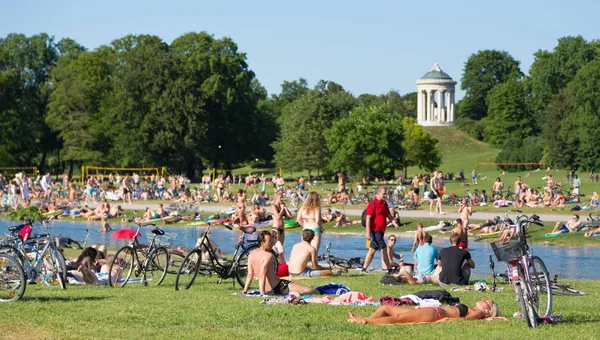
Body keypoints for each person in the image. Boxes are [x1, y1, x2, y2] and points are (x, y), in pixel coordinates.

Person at [242, 231, 317, 295]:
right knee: (313, 291)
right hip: (280, 286)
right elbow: (262, 274)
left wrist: (245, 290)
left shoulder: (252, 253)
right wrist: (262, 294)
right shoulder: (268, 255)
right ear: (262, 243)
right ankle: (294, 293)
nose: (272, 243)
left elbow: (250, 274)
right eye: (269, 242)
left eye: (272, 241)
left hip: (269, 290)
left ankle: (293, 292)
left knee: (304, 289)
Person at [347, 300, 500, 325]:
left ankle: (365, 321)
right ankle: (365, 320)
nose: (484, 300)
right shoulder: (475, 309)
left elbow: (465, 320)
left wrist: (485, 318)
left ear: (487, 310)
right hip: (432, 310)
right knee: (384, 308)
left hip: (436, 314)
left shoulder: (479, 313)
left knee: (398, 318)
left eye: (487, 302)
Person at [361, 187, 399, 274]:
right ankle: (389, 269)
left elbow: (388, 215)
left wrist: (394, 223)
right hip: (375, 230)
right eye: (384, 193)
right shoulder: (372, 204)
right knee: (384, 249)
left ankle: (363, 269)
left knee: (372, 250)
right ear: (378, 193)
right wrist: (367, 232)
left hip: (381, 231)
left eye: (386, 193)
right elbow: (368, 218)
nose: (385, 195)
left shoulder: (384, 204)